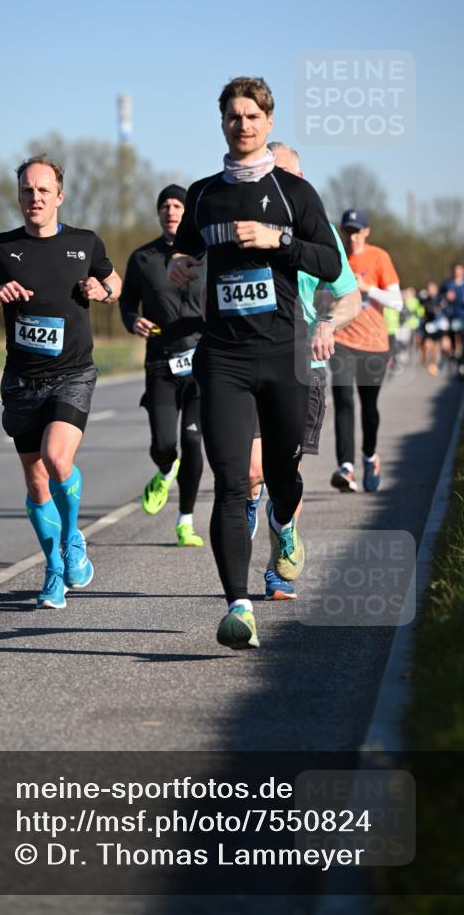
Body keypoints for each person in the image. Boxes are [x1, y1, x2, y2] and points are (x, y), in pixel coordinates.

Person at [168, 77, 342, 650]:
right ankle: (238, 605)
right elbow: (187, 248)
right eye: (232, 116)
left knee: (285, 474)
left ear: (268, 122)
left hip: (285, 353)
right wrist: (180, 266)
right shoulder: (202, 194)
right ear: (221, 123)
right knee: (234, 481)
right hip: (223, 357)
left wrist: (277, 240)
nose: (241, 124)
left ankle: (285, 523)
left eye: (251, 116)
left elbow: (328, 261)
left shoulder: (295, 192)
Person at [0, 154, 121, 610]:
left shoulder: (84, 243)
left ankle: (72, 539)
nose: (33, 197)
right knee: (37, 485)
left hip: (73, 373)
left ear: (60, 195)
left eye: (42, 189)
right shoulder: (0, 249)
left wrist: (104, 291)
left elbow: (114, 282)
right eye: (25, 190)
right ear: (18, 196)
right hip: (22, 381)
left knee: (58, 459)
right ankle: (54, 566)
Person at [243, 143, 360, 598]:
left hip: (302, 365)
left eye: (289, 176)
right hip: (251, 359)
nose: (281, 187)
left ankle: (278, 556)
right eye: (273, 177)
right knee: (253, 469)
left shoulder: (320, 231)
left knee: (284, 474)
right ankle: (250, 502)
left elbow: (350, 296)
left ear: (302, 180)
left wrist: (328, 323)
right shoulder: (244, 229)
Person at [120, 185, 205, 546]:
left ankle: (185, 522)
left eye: (177, 205)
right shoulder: (143, 258)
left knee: (193, 442)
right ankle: (166, 469)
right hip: (160, 364)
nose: (171, 211)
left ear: (186, 212)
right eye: (165, 206)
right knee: (165, 445)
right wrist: (132, 321)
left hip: (202, 364)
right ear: (158, 213)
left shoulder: (205, 253)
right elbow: (126, 304)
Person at [330, 209, 402, 493]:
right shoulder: (335, 258)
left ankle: (370, 457)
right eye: (348, 231)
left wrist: (367, 288)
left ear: (367, 232)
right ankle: (346, 468)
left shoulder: (379, 257)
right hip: (342, 341)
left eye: (358, 231)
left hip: (374, 345)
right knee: (343, 401)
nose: (353, 237)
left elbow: (396, 301)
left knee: (369, 409)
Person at [439, 262, 464, 377]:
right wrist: (446, 297)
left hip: (461, 315)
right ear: (453, 272)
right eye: (456, 270)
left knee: (462, 340)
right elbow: (439, 297)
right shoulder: (447, 284)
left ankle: (462, 366)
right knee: (452, 341)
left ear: (463, 271)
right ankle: (454, 359)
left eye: (460, 270)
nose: (458, 272)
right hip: (450, 316)